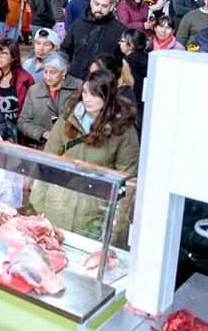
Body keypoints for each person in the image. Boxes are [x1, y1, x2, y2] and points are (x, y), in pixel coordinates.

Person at [29, 69, 139, 239]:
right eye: (85, 92)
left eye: (95, 95)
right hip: (58, 203)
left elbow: (127, 183)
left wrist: (116, 230)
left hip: (94, 214)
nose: (87, 99)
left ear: (108, 96)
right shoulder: (68, 118)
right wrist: (38, 201)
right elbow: (48, 160)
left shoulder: (123, 130)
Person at [18, 53, 83, 150]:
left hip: (70, 148)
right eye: (45, 72)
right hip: (40, 147)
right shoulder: (34, 90)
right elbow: (23, 122)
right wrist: (43, 133)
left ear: (63, 72)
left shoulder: (79, 88)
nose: (47, 77)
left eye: (53, 72)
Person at [60, 0, 126, 79]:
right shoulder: (78, 23)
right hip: (74, 80)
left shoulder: (119, 30)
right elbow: (65, 49)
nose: (99, 9)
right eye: (97, 4)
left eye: (104, 6)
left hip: (101, 83)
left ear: (111, 7)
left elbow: (121, 61)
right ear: (91, 3)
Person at [0, 38, 35, 142]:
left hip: (16, 131)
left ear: (13, 57)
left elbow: (30, 111)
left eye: (3, 53)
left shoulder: (25, 79)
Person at [118, 29, 148, 126]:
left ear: (130, 44)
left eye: (122, 41)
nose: (119, 43)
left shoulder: (126, 63)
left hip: (130, 106)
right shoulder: (148, 59)